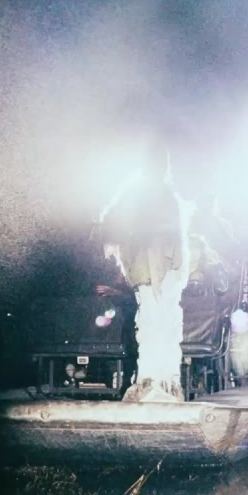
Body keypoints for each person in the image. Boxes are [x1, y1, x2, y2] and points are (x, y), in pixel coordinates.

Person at [94, 140, 192, 403]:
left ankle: (163, 381)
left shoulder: (158, 193)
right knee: (154, 320)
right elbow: (110, 222)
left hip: (163, 267)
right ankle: (153, 380)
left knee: (161, 320)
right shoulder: (143, 192)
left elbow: (111, 223)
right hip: (152, 266)